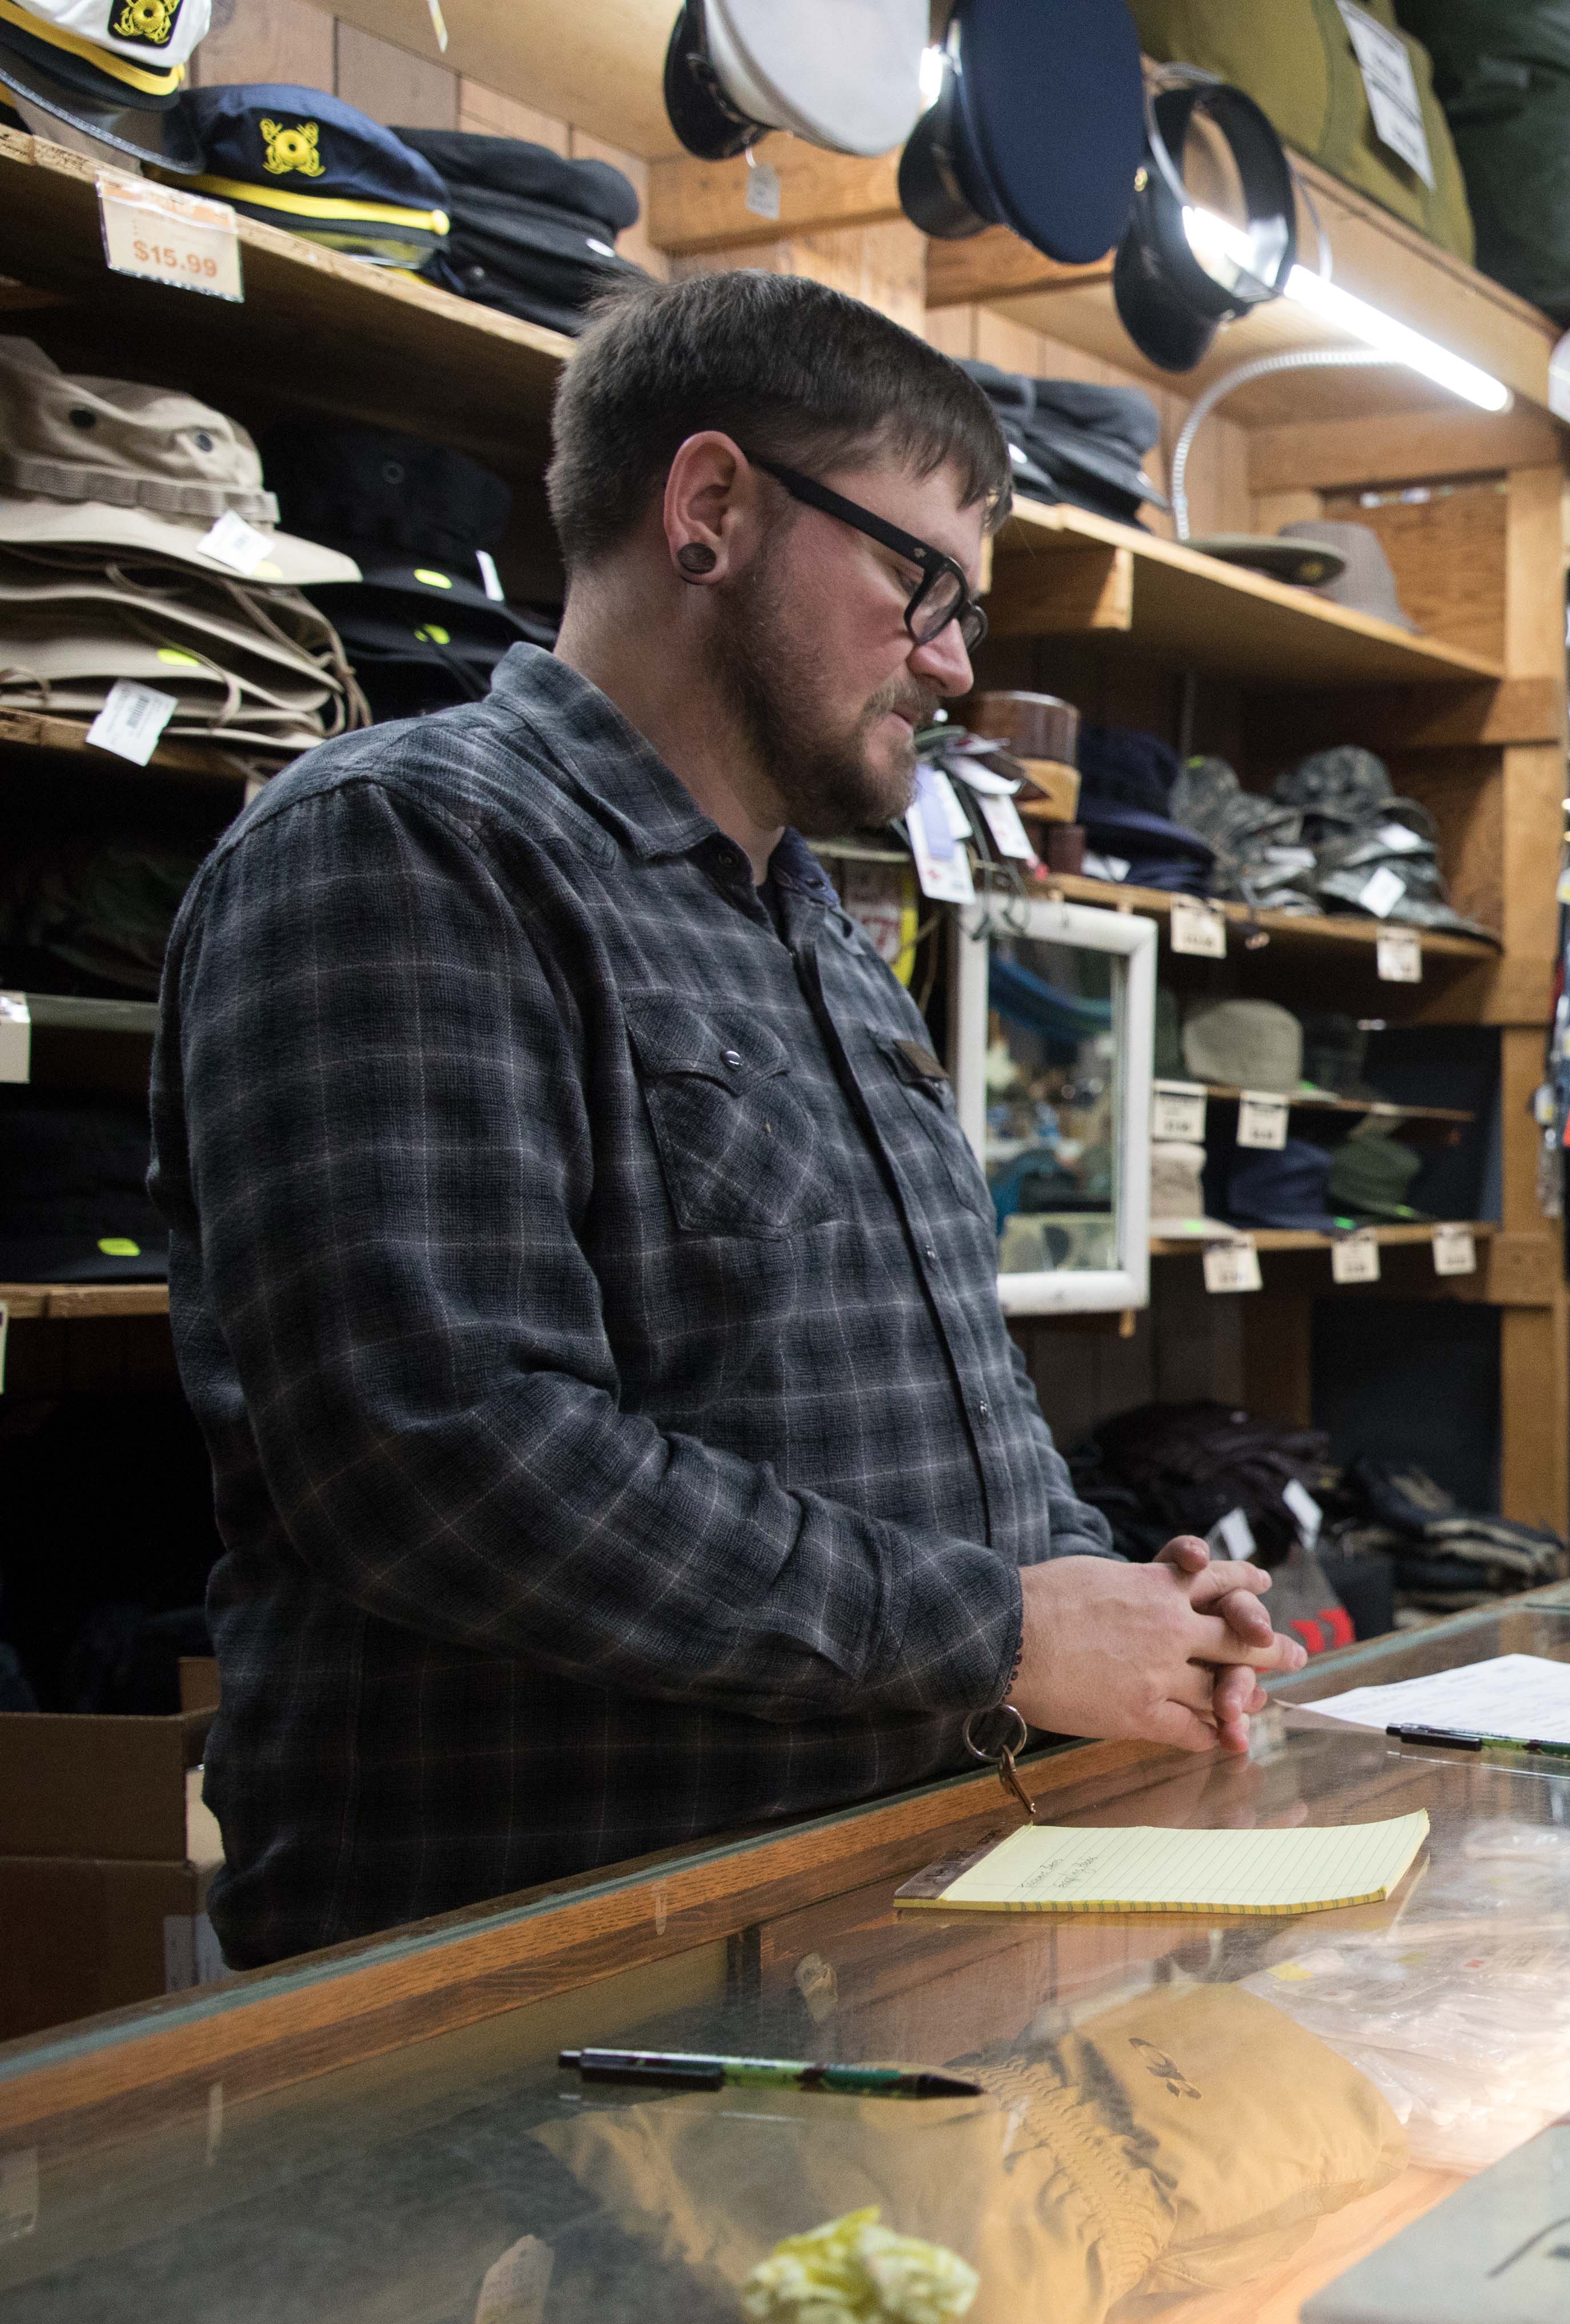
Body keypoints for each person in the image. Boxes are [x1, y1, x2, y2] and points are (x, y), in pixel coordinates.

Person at [154, 273, 1292, 1967]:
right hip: (538, 1988)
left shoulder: (811, 926)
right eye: (923, 580)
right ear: (710, 511)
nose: (957, 661)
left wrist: (1121, 1592)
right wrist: (998, 1633)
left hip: (860, 1938)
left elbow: (924, 1398)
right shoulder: (405, 850)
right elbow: (443, 1456)